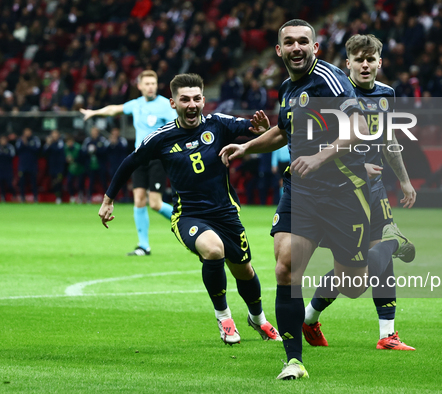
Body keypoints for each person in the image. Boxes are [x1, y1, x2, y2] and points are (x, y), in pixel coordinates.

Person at [220, 20, 415, 380]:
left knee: (354, 284)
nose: (296, 48)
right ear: (278, 50)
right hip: (302, 190)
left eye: (303, 42)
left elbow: (357, 129)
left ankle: (363, 268)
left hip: (344, 193)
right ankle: (293, 360)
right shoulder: (287, 88)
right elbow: (283, 129)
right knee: (286, 267)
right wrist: (246, 147)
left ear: (315, 48)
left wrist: (319, 157)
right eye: (289, 42)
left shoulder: (331, 80)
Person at [98, 73, 280, 345]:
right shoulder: (161, 138)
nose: (192, 104)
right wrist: (108, 199)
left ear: (204, 100)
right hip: (189, 215)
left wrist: (263, 127)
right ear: (173, 103)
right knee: (213, 249)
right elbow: (130, 163)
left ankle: (259, 319)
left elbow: (251, 128)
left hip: (226, 213)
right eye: (185, 99)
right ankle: (224, 318)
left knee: (244, 271)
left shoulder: (218, 124)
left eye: (196, 98)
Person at [301, 34, 417, 352]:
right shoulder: (336, 93)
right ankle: (308, 318)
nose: (365, 65)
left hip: (374, 188)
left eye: (371, 59)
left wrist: (404, 180)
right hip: (338, 190)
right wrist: (355, 165)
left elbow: (389, 141)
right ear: (348, 63)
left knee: (374, 259)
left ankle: (387, 334)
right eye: (359, 59)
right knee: (353, 273)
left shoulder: (386, 95)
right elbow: (314, 142)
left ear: (379, 62)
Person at [81, 70, 177, 256]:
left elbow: (176, 128)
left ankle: (187, 221)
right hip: (139, 158)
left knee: (155, 204)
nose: (151, 87)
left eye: (153, 83)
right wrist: (94, 112)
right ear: (139, 86)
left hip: (158, 158)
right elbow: (114, 109)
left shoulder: (166, 105)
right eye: (147, 83)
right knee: (139, 200)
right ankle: (143, 246)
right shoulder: (136, 104)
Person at [81, 127, 109, 202]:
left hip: (101, 165)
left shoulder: (102, 140)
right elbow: (83, 152)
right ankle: (89, 198)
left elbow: (106, 151)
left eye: (95, 131)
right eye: (93, 131)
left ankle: (108, 199)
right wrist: (88, 151)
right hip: (90, 166)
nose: (94, 133)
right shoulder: (87, 141)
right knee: (91, 182)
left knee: (104, 182)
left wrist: (96, 150)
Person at [15, 128, 41, 203]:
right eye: (25, 132)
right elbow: (17, 150)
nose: (27, 133)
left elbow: (37, 150)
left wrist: (27, 144)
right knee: (22, 183)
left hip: (32, 165)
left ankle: (35, 198)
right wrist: (24, 143)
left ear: (31, 132)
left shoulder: (35, 139)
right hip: (23, 165)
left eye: (28, 131)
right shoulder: (20, 140)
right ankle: (22, 198)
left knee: (33, 182)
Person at [43, 129, 66, 204]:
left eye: (56, 134)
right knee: (53, 182)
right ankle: (57, 197)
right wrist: (48, 144)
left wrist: (51, 145)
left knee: (58, 182)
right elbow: (44, 153)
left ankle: (60, 197)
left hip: (60, 167)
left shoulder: (61, 143)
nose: (54, 136)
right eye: (53, 134)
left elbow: (58, 150)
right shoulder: (49, 144)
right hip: (52, 166)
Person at [64, 135, 85, 203]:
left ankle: (80, 196)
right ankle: (72, 196)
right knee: (69, 182)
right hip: (71, 169)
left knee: (80, 184)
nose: (69, 143)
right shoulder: (65, 148)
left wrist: (74, 159)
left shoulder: (78, 148)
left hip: (80, 168)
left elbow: (82, 159)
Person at [0, 135, 16, 202]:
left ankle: (14, 195)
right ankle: (3, 198)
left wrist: (3, 153)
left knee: (9, 184)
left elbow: (12, 156)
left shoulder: (10, 147)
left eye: (4, 140)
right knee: (1, 184)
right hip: (0, 169)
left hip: (8, 169)